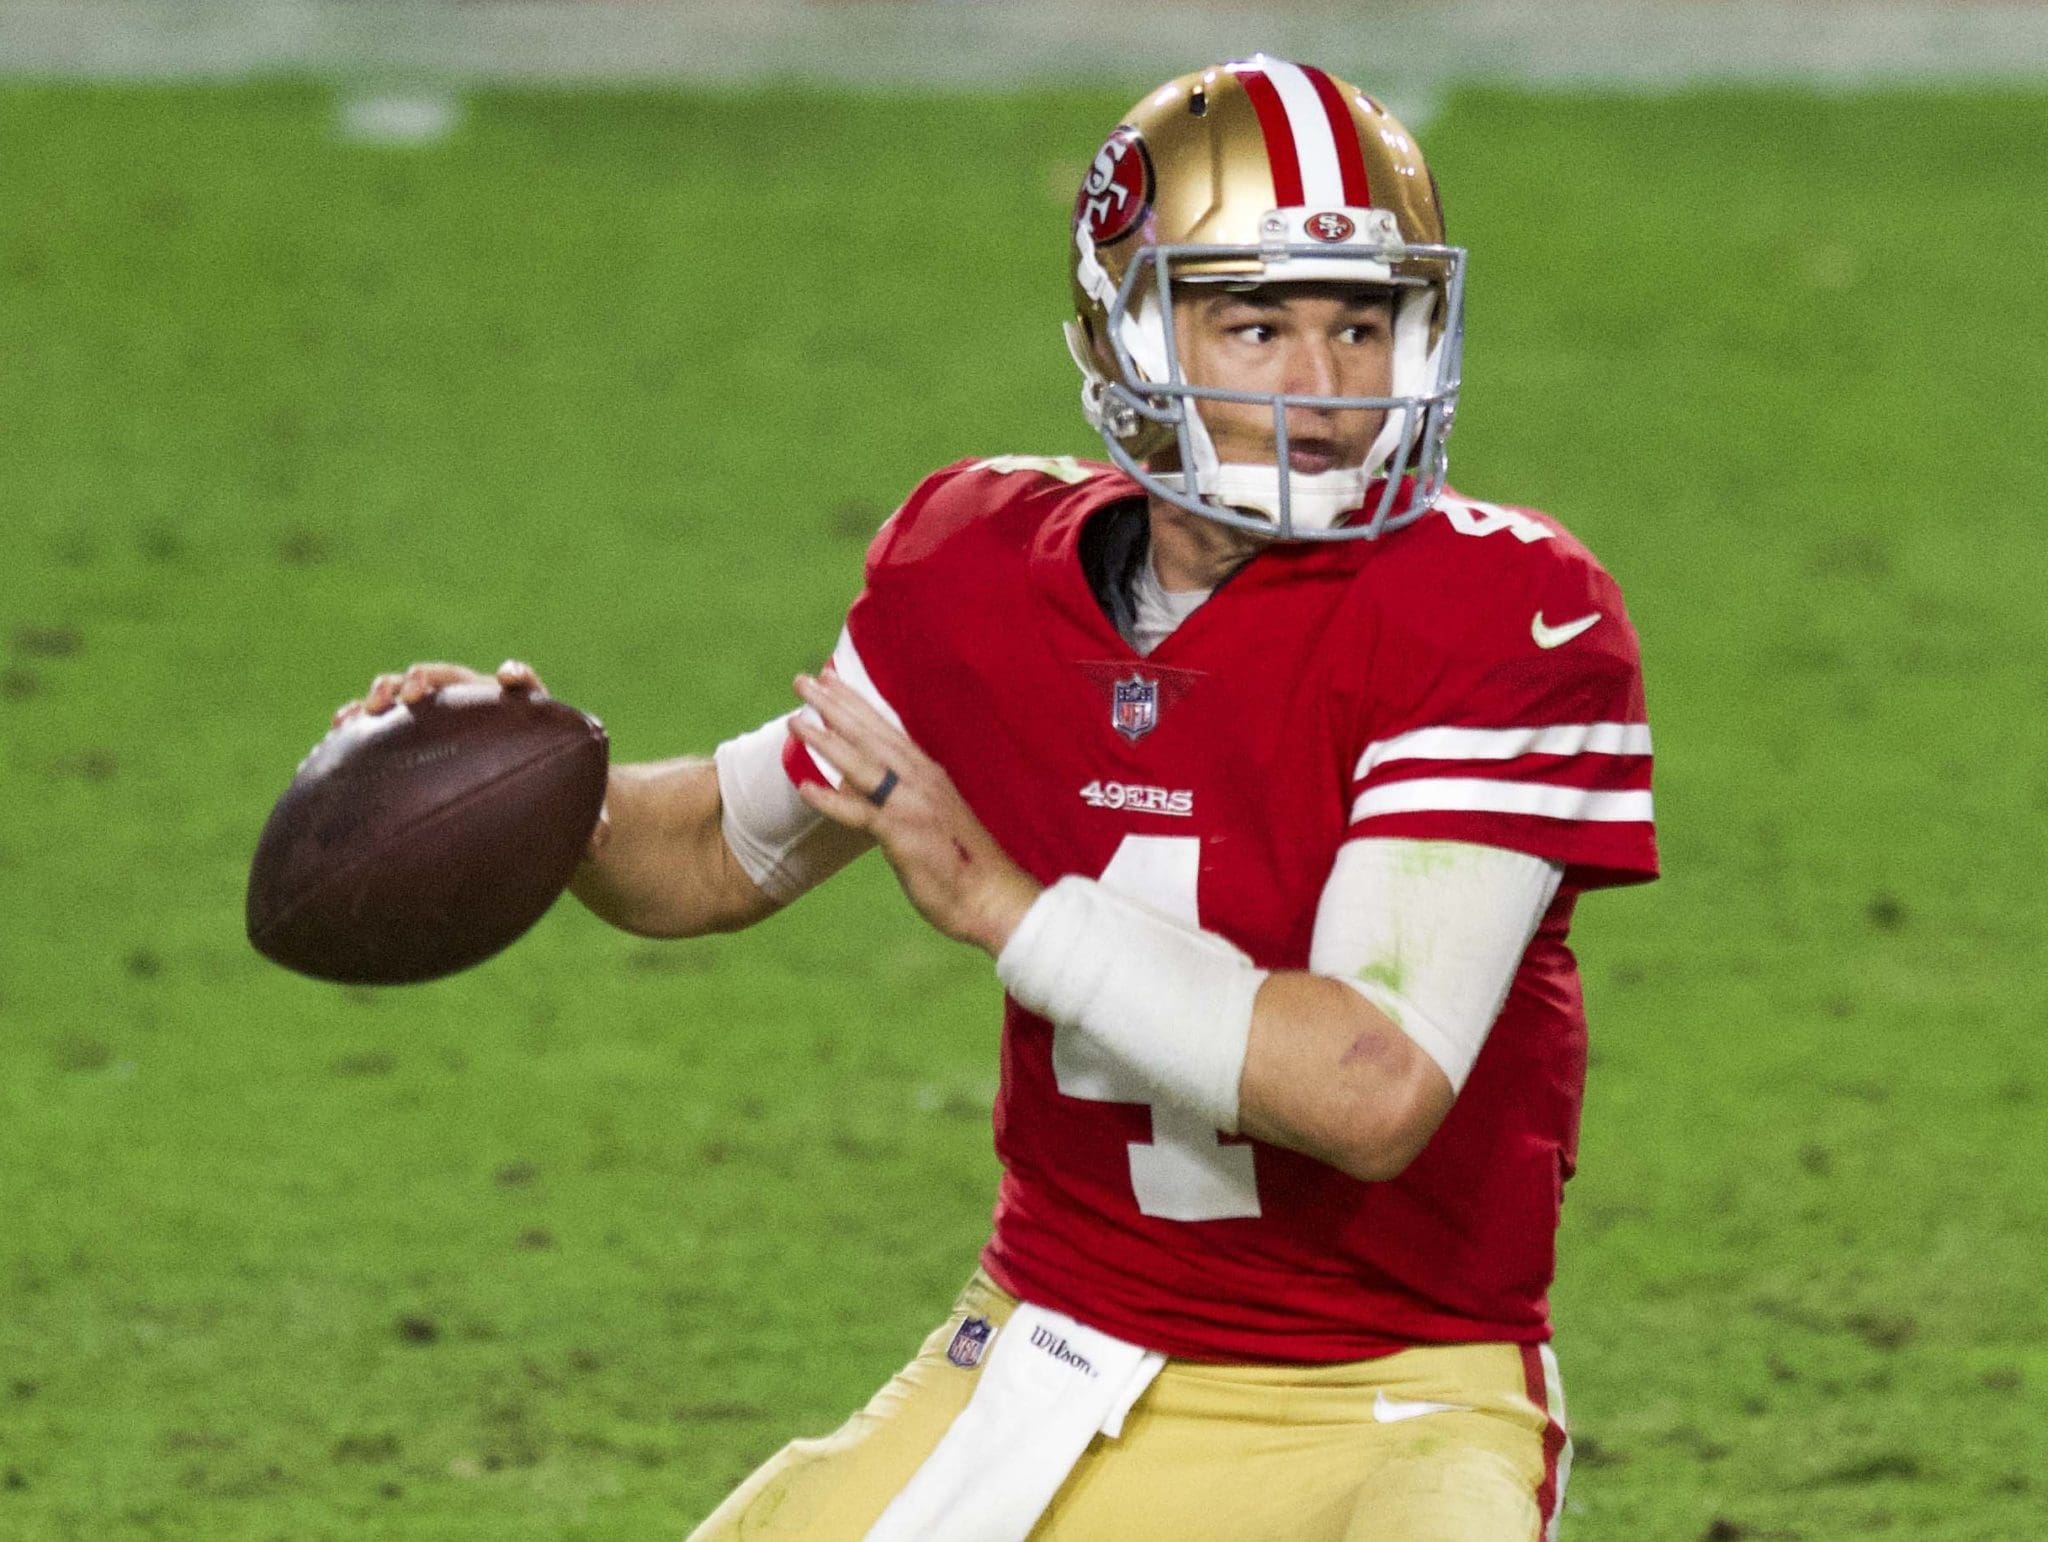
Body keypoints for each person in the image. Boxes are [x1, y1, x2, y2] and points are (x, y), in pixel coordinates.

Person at [343, 55, 1655, 1541]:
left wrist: (1007, 908)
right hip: (1048, 1359)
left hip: (1390, 1398)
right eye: (1256, 322)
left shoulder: (1495, 610)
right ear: (1133, 332)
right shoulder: (979, 578)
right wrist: (521, 778)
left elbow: (1369, 1086)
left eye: (1363, 323)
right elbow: (711, 847)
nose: (1326, 384)